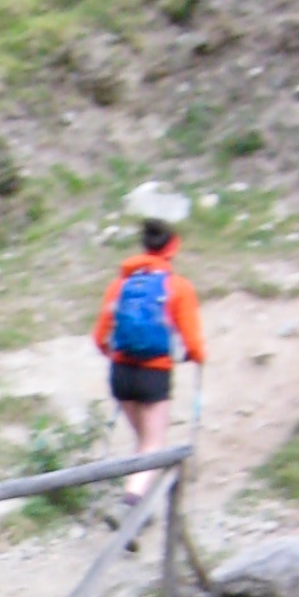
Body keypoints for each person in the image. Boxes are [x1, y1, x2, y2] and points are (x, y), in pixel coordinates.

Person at [93, 182, 205, 508]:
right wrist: (195, 356)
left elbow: (100, 336)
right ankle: (130, 505)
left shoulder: (120, 285)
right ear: (173, 248)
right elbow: (194, 341)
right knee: (153, 444)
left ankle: (138, 507)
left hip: (121, 372)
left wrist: (114, 354)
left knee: (142, 441)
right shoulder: (177, 287)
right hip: (155, 374)